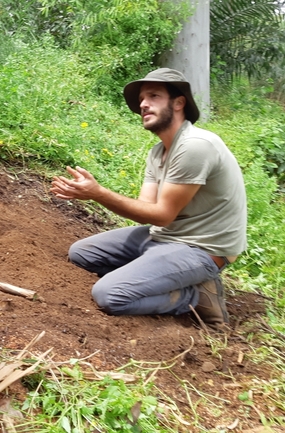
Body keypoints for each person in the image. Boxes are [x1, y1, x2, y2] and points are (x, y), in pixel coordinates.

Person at [50, 68, 247, 330]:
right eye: (142, 99)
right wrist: (92, 194)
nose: (143, 104)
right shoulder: (158, 152)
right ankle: (159, 274)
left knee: (109, 295)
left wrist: (99, 194)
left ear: (179, 103)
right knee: (81, 254)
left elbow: (162, 214)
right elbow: (147, 209)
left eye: (154, 96)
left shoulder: (196, 145)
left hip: (202, 249)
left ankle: (195, 296)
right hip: (164, 237)